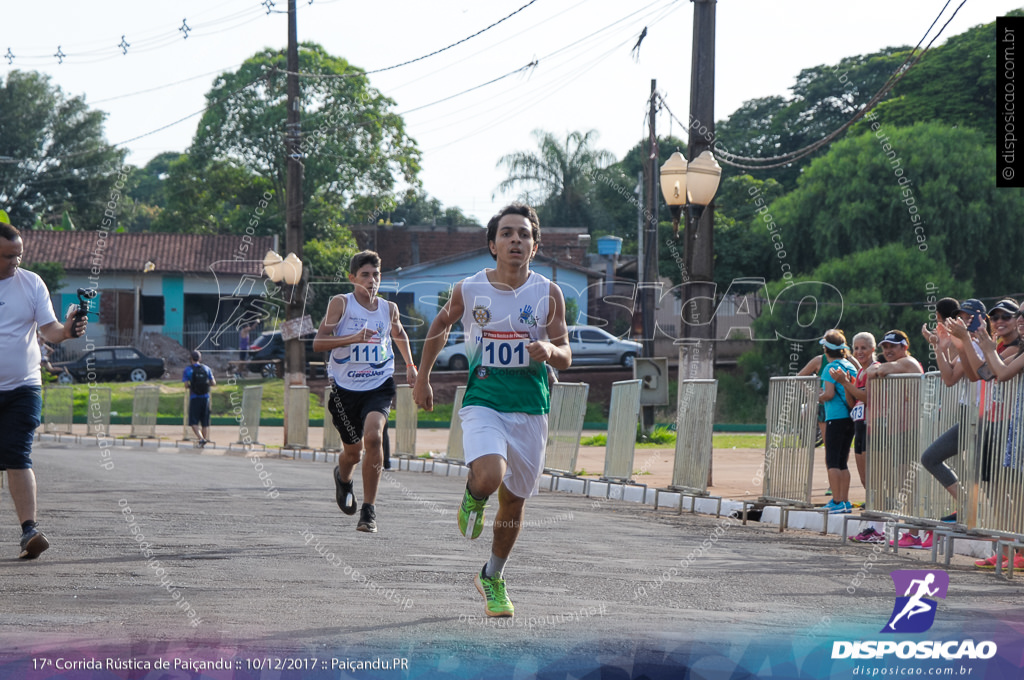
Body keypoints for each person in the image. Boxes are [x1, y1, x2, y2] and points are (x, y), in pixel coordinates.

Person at [413, 203, 571, 618]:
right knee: (490, 474)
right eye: (507, 233)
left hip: (531, 408)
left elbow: (567, 354)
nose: (515, 239)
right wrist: (422, 376)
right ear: (492, 244)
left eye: (523, 234)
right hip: (484, 401)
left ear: (534, 247)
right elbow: (440, 326)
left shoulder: (548, 293)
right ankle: (473, 494)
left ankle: (493, 576)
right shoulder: (470, 289)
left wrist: (550, 350)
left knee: (515, 503)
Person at [0, 215, 87, 558]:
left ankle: (29, 532)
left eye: (19, 254)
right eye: (8, 255)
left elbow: (48, 328)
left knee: (18, 456)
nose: (16, 261)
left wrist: (67, 331)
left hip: (24, 386)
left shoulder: (31, 283)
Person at [313, 250, 417, 534]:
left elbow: (399, 333)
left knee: (373, 437)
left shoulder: (389, 308)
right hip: (345, 389)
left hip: (379, 384)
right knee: (353, 453)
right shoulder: (341, 304)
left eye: (376, 275)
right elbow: (319, 343)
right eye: (365, 275)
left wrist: (410, 364)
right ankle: (343, 478)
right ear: (352, 278)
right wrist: (352, 338)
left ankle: (368, 510)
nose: (372, 281)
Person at [816, 330, 857, 514]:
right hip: (850, 418)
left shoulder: (829, 368)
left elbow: (829, 394)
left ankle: (836, 500)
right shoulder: (849, 365)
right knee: (843, 461)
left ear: (826, 349)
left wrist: (819, 397)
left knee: (832, 460)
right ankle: (845, 501)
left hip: (835, 418)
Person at [182, 350, 216, 447]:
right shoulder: (206, 368)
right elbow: (213, 383)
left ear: (191, 359)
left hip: (194, 397)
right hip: (206, 398)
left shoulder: (188, 370)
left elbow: (186, 385)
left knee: (193, 421)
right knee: (204, 422)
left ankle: (201, 439)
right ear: (200, 358)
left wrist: (192, 387)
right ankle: (203, 442)